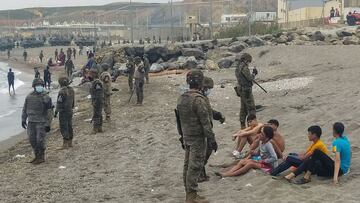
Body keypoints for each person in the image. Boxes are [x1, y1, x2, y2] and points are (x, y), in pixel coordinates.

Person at [177, 69, 216, 203]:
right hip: (198, 139)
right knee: (194, 167)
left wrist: (182, 136)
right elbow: (206, 123)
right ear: (200, 82)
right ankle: (191, 197)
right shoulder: (199, 100)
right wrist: (212, 140)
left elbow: (179, 120)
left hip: (187, 137)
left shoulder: (182, 97)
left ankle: (190, 193)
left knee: (187, 166)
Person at [198, 77, 224, 182]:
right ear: (204, 87)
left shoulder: (203, 98)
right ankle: (199, 174)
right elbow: (203, 115)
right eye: (208, 88)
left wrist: (218, 115)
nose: (209, 90)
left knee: (207, 150)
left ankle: (201, 173)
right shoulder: (199, 99)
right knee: (204, 151)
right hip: (202, 130)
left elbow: (209, 111)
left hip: (205, 129)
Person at [21, 78, 53, 164]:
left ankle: (41, 157)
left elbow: (50, 111)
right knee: (32, 140)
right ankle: (36, 156)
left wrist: (48, 124)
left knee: (40, 140)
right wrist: (23, 119)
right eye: (37, 85)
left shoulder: (46, 97)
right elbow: (25, 108)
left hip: (41, 122)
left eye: (40, 85)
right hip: (31, 122)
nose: (39, 87)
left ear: (43, 86)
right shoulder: (29, 97)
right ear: (34, 87)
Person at [234, 53, 258, 129]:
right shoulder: (244, 67)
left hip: (241, 89)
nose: (248, 63)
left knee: (243, 108)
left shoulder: (238, 67)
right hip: (246, 90)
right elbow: (250, 78)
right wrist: (254, 73)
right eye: (248, 61)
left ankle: (242, 124)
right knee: (251, 108)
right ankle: (252, 125)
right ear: (246, 60)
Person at [54, 77, 75, 149]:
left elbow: (59, 103)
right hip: (70, 110)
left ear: (60, 83)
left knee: (64, 126)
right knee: (69, 126)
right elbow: (73, 101)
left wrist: (56, 112)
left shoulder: (62, 92)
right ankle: (70, 142)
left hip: (63, 111)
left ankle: (65, 143)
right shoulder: (71, 90)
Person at [89, 69, 104, 134]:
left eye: (90, 74)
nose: (89, 75)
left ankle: (95, 129)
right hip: (97, 100)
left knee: (96, 115)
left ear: (94, 74)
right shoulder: (95, 82)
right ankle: (100, 128)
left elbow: (99, 94)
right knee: (99, 114)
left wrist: (96, 101)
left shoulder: (97, 83)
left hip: (98, 101)